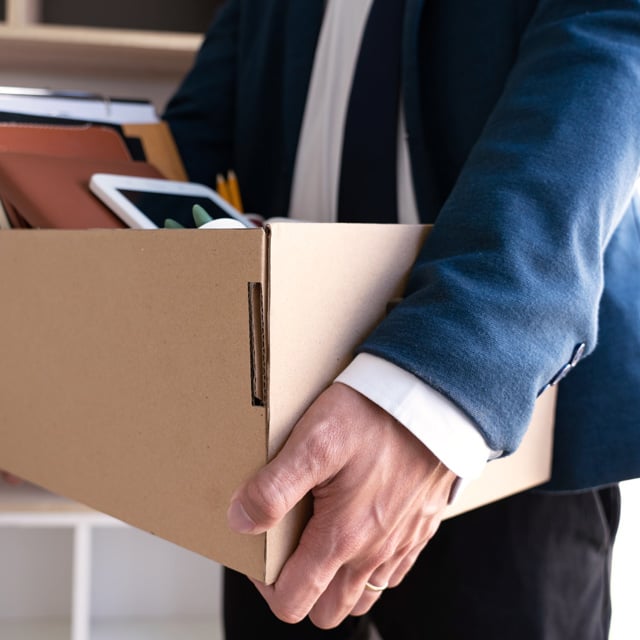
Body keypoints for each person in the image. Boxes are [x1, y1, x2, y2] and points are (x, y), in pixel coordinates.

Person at [163, 1, 640, 638]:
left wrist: (436, 393)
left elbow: (606, 50)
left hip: (503, 420)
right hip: (275, 420)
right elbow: (192, 136)